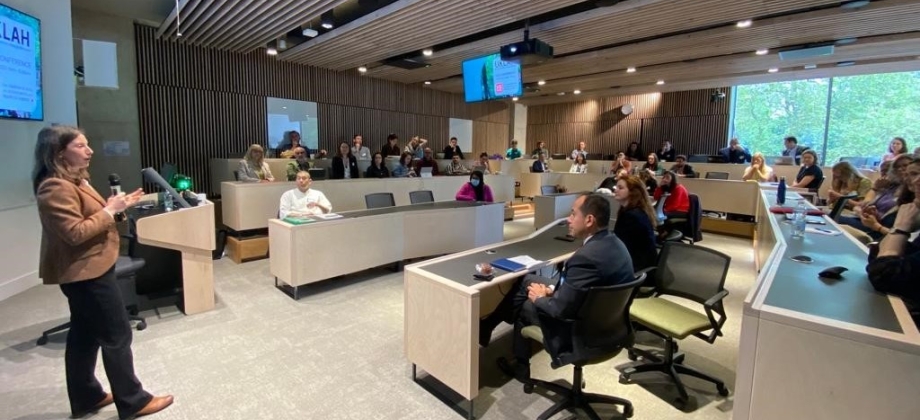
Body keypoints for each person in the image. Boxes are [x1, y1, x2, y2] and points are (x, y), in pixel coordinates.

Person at [32, 126, 173, 419]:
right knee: (117, 335)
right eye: (81, 146)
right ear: (60, 152)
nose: (89, 151)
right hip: (85, 273)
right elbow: (74, 232)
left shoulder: (78, 181)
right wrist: (110, 211)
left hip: (96, 265)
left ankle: (87, 396)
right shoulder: (54, 186)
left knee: (84, 335)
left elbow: (97, 216)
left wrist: (119, 206)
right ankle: (133, 401)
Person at [481, 193, 635, 383]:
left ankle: (521, 367)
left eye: (573, 214)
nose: (568, 220)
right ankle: (488, 326)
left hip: (580, 328)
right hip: (608, 323)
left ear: (589, 220)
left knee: (525, 304)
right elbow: (588, 289)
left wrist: (539, 298)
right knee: (527, 280)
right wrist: (553, 292)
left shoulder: (585, 257)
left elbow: (560, 309)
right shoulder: (616, 243)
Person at [867, 157, 920, 327]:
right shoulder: (913, 216)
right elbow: (875, 256)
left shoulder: (907, 222)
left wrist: (900, 229)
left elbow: (883, 275)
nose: (915, 181)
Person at [614, 176, 659, 272]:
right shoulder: (637, 211)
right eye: (616, 187)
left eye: (620, 188)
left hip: (637, 268)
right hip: (642, 264)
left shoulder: (632, 216)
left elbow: (620, 246)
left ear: (633, 192)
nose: (615, 190)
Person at [654, 170, 691, 237]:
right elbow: (656, 197)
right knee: (656, 213)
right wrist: (659, 186)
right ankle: (661, 233)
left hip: (681, 210)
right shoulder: (666, 187)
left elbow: (675, 205)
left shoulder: (679, 188)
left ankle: (663, 234)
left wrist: (663, 210)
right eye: (664, 177)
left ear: (673, 179)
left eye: (667, 177)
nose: (665, 179)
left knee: (661, 216)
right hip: (671, 209)